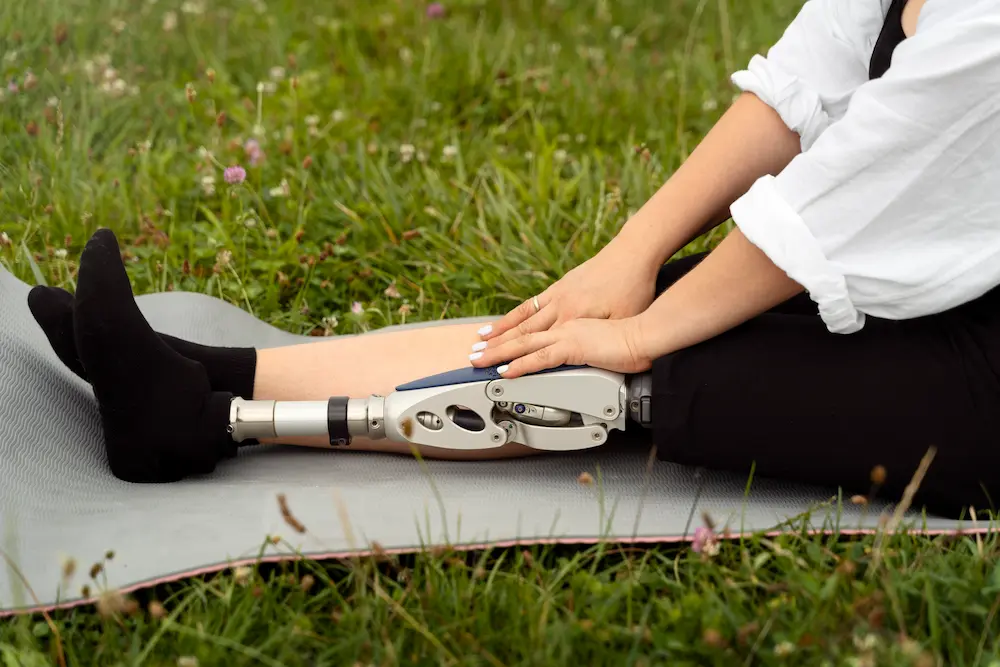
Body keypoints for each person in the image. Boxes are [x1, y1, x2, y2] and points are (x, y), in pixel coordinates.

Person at [26, 0, 1000, 518]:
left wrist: (640, 332)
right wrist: (632, 258)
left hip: (984, 381)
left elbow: (826, 217)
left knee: (661, 365)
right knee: (607, 319)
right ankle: (193, 379)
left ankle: (220, 423)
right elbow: (796, 91)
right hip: (940, 282)